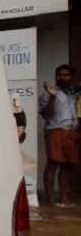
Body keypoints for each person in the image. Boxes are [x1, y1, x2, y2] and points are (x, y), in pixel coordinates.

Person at [39, 64, 80, 206]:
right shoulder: (48, 92)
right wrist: (52, 97)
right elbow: (46, 115)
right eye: (60, 75)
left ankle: (64, 198)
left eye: (66, 75)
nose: (62, 77)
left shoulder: (73, 93)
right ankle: (50, 199)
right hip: (55, 131)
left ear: (71, 77)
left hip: (71, 132)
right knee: (52, 165)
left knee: (67, 166)